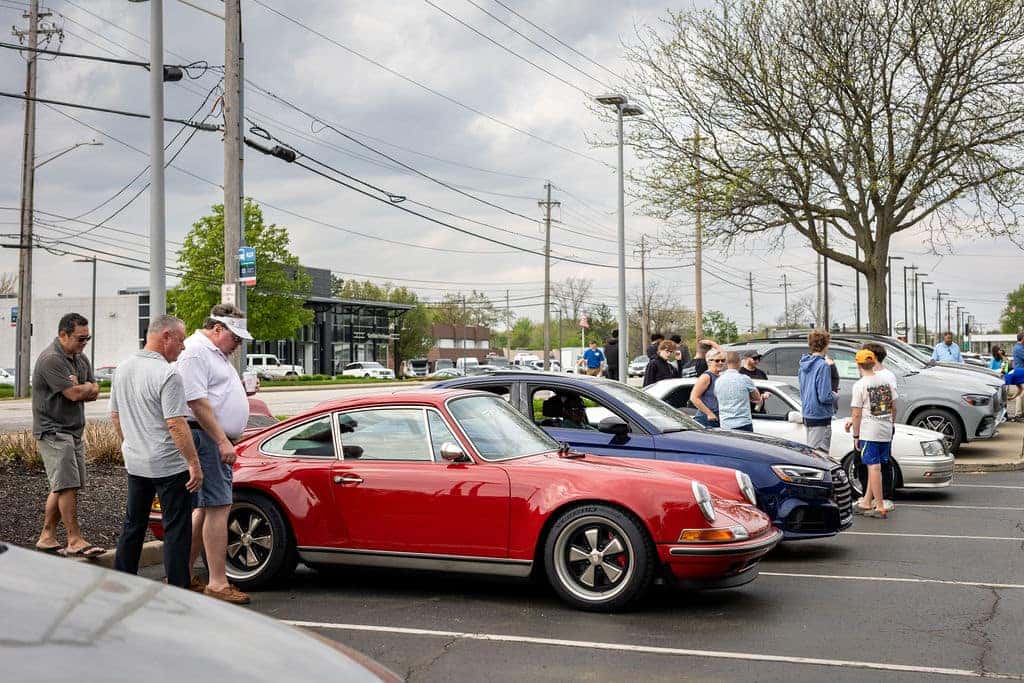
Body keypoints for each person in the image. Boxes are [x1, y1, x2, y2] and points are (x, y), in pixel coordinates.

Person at [111, 315, 204, 589]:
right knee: (176, 528)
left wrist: (132, 443)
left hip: (136, 462)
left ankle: (122, 580)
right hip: (168, 465)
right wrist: (193, 463)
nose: (183, 347)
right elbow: (175, 423)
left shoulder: (123, 368)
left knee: (133, 524)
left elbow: (115, 415)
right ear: (166, 336)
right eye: (181, 340)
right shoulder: (168, 373)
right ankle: (178, 588)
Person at [177, 303, 252, 604]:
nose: (239, 344)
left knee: (207, 509)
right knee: (219, 507)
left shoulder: (214, 354)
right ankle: (218, 582)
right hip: (206, 436)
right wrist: (222, 440)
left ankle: (181, 574)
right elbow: (196, 402)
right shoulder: (196, 352)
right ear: (217, 329)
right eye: (235, 337)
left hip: (211, 436)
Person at [32, 312, 103, 557]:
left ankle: (47, 536)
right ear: (63, 335)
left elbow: (96, 389)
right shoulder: (51, 359)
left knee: (64, 485)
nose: (84, 343)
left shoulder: (79, 359)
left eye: (87, 338)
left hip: (73, 431)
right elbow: (73, 394)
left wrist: (85, 387)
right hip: (53, 430)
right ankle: (74, 540)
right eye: (80, 338)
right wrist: (83, 388)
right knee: (68, 485)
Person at [845, 349, 896, 519]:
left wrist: (856, 436)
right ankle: (867, 501)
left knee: (873, 467)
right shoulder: (885, 381)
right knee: (877, 465)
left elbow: (857, 413)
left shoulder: (860, 385)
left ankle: (879, 505)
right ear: (874, 362)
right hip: (885, 429)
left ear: (858, 364)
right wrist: (891, 424)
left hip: (870, 431)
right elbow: (893, 407)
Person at [798, 330, 838, 452]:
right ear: (825, 344)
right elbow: (824, 397)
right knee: (818, 456)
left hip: (807, 413)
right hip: (820, 415)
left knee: (811, 450)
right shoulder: (823, 365)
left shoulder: (803, 364)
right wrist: (835, 396)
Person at [715, 352, 762, 431]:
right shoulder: (744, 379)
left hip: (725, 424)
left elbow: (717, 397)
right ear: (739, 362)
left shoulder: (718, 381)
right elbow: (757, 398)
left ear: (726, 363)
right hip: (743, 423)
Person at [691, 349, 726, 428]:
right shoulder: (706, 376)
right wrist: (709, 413)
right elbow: (694, 397)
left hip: (718, 418)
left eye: (723, 360)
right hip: (705, 419)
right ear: (709, 362)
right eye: (717, 361)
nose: (720, 363)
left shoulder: (720, 376)